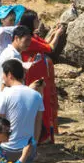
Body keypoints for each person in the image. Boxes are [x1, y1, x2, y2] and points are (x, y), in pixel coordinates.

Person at [19, 12, 64, 143]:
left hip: (41, 74)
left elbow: (45, 44)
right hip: (34, 74)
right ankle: (41, 135)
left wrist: (53, 33)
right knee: (41, 103)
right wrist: (57, 35)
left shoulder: (32, 36)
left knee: (45, 102)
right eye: (36, 19)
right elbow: (50, 48)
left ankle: (45, 134)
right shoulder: (29, 39)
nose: (39, 21)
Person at [0, 25, 33, 110]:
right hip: (10, 100)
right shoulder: (11, 54)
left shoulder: (13, 52)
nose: (28, 43)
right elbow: (5, 80)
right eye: (26, 40)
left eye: (30, 40)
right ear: (16, 38)